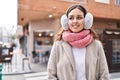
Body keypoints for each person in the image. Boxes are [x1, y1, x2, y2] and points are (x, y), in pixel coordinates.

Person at [47, 4, 110, 80]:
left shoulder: (96, 45)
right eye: (71, 18)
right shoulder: (58, 45)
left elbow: (104, 75)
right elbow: (51, 75)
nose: (75, 21)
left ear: (87, 21)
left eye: (79, 17)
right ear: (66, 22)